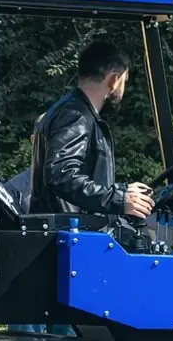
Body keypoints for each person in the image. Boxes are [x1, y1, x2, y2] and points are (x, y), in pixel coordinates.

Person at [27, 41, 156, 219]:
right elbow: (62, 175)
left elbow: (80, 177)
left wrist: (122, 191)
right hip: (69, 234)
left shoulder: (65, 109)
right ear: (114, 79)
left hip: (66, 230)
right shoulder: (77, 116)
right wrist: (118, 199)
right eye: (124, 81)